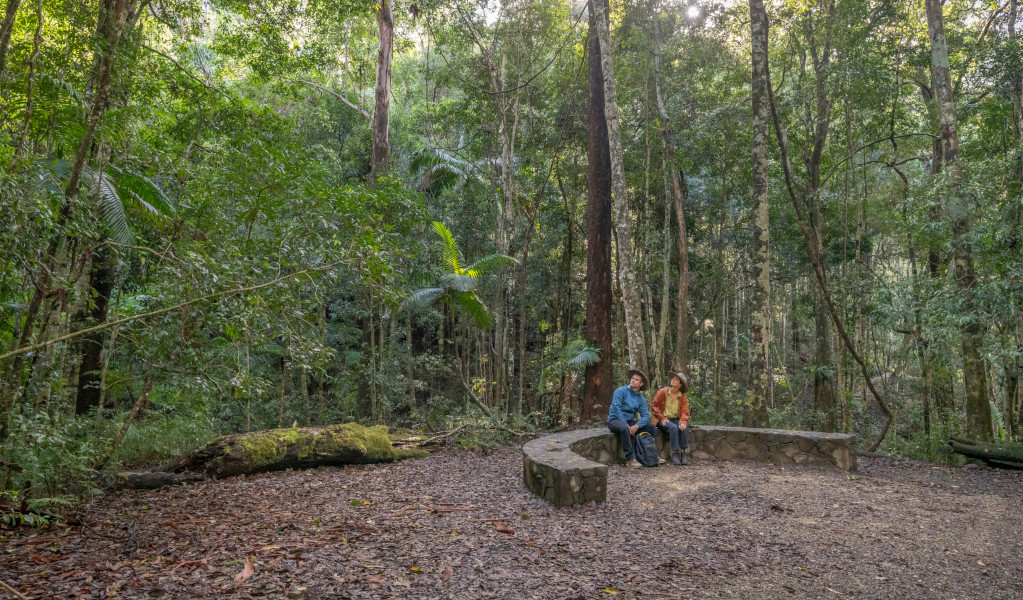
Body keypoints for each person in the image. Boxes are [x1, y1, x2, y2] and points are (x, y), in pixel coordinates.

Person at [607, 369, 657, 468]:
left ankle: (653, 455)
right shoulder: (620, 391)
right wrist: (625, 423)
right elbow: (617, 408)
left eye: (636, 379)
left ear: (641, 384)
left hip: (630, 421)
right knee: (625, 428)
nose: (633, 380)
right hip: (615, 420)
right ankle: (630, 459)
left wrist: (637, 426)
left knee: (651, 428)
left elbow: (646, 416)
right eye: (632, 378)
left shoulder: (640, 399)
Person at [651, 371, 691, 466]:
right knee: (673, 427)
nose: (673, 379)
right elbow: (654, 406)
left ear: (680, 384)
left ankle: (684, 453)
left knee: (683, 428)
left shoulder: (683, 397)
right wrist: (662, 418)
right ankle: (675, 453)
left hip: (676, 419)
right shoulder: (662, 392)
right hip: (662, 419)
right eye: (673, 378)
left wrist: (683, 422)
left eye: (676, 379)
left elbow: (685, 411)